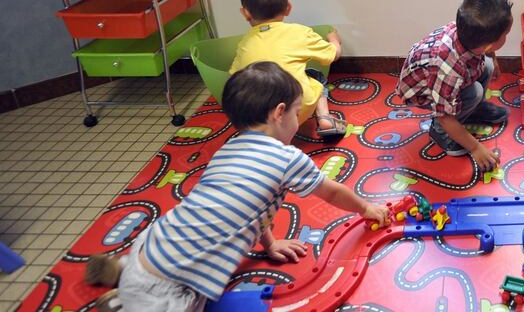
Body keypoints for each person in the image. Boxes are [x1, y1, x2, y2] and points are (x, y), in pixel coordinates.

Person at [85, 62, 390, 311]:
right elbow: (333, 191)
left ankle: (123, 272)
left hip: (153, 244)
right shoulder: (286, 158)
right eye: (297, 112)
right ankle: (122, 303)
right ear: (279, 113)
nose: (298, 119)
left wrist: (270, 244)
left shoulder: (229, 148)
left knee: (158, 259)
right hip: (170, 287)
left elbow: (251, 207)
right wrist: (366, 207)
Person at [395, 0, 513, 170]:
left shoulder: (469, 32)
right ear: (489, 44)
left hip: (447, 77)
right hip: (424, 91)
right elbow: (444, 115)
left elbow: (485, 49)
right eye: (505, 35)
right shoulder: (447, 67)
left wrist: (493, 58)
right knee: (474, 92)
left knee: (486, 66)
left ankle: (473, 110)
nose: (507, 37)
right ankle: (439, 133)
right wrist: (475, 148)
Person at [229, 0, 344, 138]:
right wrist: (334, 39)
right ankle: (324, 117)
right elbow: (333, 55)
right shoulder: (299, 33)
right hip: (297, 109)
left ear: (245, 13)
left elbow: (235, 75)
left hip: (259, 118)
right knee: (316, 75)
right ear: (288, 8)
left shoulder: (245, 42)